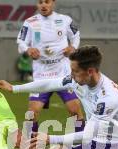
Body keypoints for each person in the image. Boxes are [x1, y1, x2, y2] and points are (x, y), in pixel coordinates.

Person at [17, 0, 84, 134]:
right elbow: (21, 41)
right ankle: (33, 148)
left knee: (75, 111)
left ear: (53, 3)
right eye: (40, 2)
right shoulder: (30, 22)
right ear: (37, 4)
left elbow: (76, 35)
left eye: (47, 1)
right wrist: (28, 49)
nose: (43, 5)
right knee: (31, 114)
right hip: (41, 75)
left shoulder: (65, 20)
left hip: (63, 74)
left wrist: (73, 47)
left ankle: (81, 147)